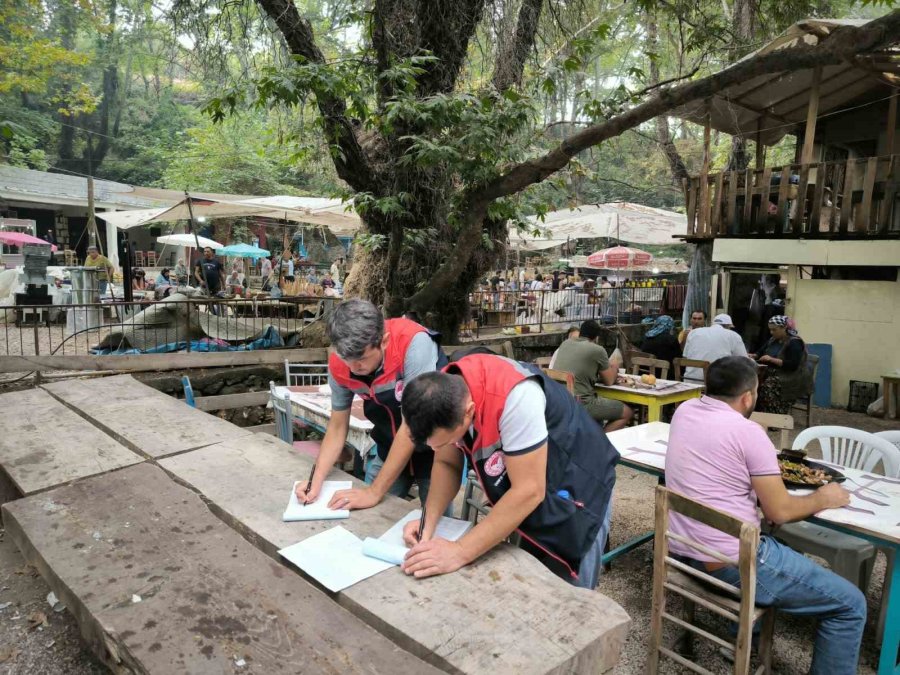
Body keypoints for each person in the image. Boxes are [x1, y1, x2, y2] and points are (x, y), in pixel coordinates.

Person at [666, 356, 865, 675]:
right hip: (728, 565)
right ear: (748, 397)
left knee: (782, 544)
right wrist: (823, 497)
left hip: (680, 550)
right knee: (851, 604)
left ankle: (744, 638)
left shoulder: (685, 410)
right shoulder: (748, 432)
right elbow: (780, 511)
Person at [398, 354, 620, 590]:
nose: (437, 450)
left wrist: (459, 551)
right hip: (534, 481)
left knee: (571, 593)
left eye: (444, 442)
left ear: (468, 411)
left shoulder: (515, 398)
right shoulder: (444, 392)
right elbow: (447, 464)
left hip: (580, 485)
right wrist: (427, 524)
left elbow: (529, 491)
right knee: (531, 581)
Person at [295, 299, 448, 511]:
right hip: (388, 446)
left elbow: (411, 426)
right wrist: (316, 479)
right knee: (372, 516)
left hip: (435, 449)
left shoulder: (414, 344)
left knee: (434, 522)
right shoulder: (340, 363)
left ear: (384, 341)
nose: (354, 367)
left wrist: (374, 492)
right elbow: (337, 426)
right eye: (347, 358)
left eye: (362, 358)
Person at [553, 319, 633, 431]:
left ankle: (594, 435)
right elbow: (609, 381)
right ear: (596, 338)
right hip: (581, 402)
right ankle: (600, 440)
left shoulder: (565, 344)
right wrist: (615, 367)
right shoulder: (597, 350)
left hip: (559, 400)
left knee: (599, 414)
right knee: (627, 412)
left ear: (581, 332)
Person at [753, 315, 810, 414]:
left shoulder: (794, 342)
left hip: (791, 376)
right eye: (770, 330)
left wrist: (772, 359)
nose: (771, 332)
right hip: (774, 373)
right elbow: (760, 352)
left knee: (768, 386)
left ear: (784, 328)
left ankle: (775, 415)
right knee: (753, 382)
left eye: (774, 330)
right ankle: (759, 413)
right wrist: (753, 355)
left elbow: (792, 365)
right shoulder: (773, 340)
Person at [682, 313, 747, 381]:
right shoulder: (733, 335)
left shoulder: (693, 332)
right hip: (715, 383)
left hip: (690, 380)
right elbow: (744, 361)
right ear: (728, 326)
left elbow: (685, 357)